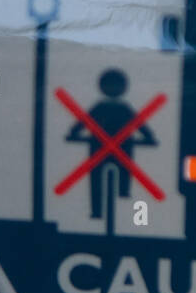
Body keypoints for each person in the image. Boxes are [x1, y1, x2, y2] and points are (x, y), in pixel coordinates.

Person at [66, 68, 157, 220]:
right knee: (99, 178)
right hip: (108, 147)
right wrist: (149, 138)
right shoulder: (109, 107)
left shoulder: (119, 108)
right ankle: (103, 207)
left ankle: (120, 196)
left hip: (109, 147)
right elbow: (84, 122)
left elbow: (139, 124)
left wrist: (74, 134)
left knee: (113, 173)